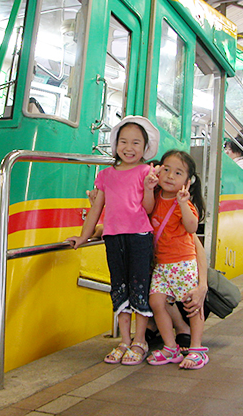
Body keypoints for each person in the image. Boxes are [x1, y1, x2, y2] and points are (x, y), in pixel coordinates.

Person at [67, 116, 160, 365]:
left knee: (139, 286)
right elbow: (96, 210)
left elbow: (148, 210)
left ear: (144, 148)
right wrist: (83, 236)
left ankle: (139, 340)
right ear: (116, 144)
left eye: (136, 143)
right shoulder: (105, 175)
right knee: (119, 287)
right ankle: (124, 341)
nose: (129, 148)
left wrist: (150, 188)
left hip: (140, 236)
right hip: (113, 238)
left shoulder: (145, 172)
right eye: (123, 142)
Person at [144, 150, 209, 369]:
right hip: (162, 265)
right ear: (157, 170)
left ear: (188, 182)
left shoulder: (184, 203)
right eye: (166, 169)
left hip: (183, 263)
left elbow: (192, 228)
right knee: (156, 301)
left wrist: (183, 202)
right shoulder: (154, 197)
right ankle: (171, 347)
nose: (170, 176)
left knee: (191, 304)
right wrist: (148, 186)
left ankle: (197, 349)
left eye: (178, 173)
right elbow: (145, 212)